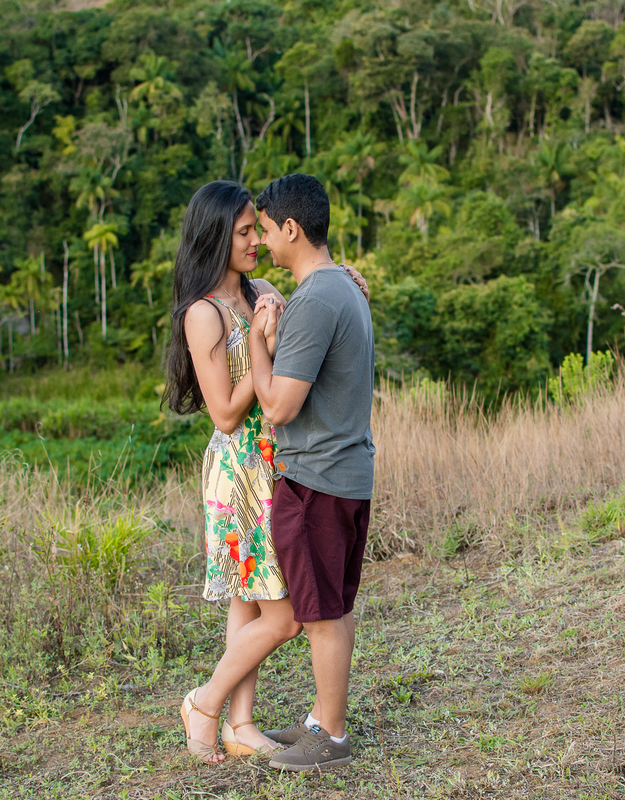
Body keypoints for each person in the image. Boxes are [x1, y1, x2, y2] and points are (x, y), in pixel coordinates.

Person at [163, 180, 368, 763]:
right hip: (240, 469)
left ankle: (239, 723)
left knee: (248, 604)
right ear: (215, 237)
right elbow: (226, 415)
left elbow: (309, 332)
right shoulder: (203, 314)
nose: (256, 240)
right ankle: (205, 703)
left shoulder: (266, 290)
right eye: (244, 232)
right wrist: (258, 342)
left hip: (278, 460)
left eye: (259, 229)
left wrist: (343, 278)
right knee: (285, 616)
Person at [247, 174, 375, 772]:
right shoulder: (341, 287)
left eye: (267, 230)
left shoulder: (316, 299)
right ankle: (323, 721)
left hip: (316, 478)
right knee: (333, 607)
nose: (263, 242)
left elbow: (277, 407)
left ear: (292, 228)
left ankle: (332, 738)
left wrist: (257, 341)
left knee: (320, 614)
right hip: (345, 472)